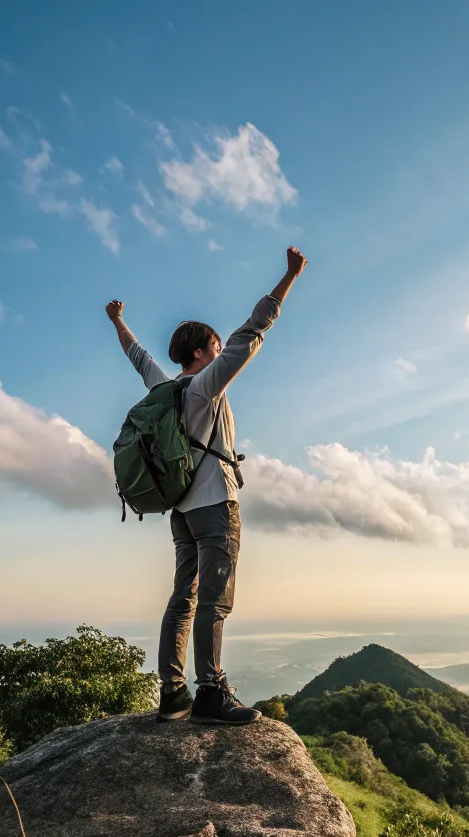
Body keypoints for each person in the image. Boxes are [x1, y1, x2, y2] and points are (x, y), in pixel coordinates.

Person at [106, 245, 308, 725]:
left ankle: (172, 692)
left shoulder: (164, 390)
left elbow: (139, 358)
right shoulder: (203, 387)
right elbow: (252, 332)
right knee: (213, 601)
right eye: (214, 348)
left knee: (183, 598)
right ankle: (211, 694)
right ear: (201, 352)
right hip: (216, 504)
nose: (221, 353)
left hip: (181, 512)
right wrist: (289, 278)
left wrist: (117, 322)